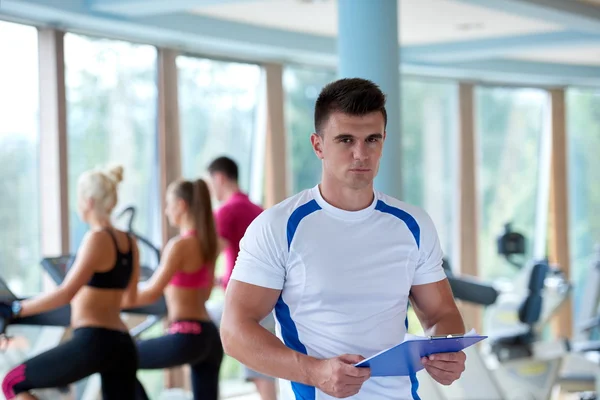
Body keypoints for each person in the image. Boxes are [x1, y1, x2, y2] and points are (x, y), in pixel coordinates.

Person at [219, 78, 467, 399]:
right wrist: (316, 372)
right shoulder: (278, 226)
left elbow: (440, 315)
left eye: (372, 139)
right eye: (346, 140)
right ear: (318, 145)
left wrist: (445, 351)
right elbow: (234, 332)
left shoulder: (413, 224)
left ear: (383, 141)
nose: (360, 154)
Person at [0, 165, 141, 399]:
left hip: (94, 341)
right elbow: (131, 298)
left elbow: (66, 293)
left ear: (89, 201)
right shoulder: (130, 242)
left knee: (12, 382)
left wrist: (15, 309)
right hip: (123, 344)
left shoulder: (96, 238)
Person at [122, 178, 223, 400]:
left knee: (118, 358)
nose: (166, 211)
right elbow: (204, 294)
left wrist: (109, 300)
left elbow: (151, 292)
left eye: (168, 204)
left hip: (187, 335)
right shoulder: (209, 243)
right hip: (209, 336)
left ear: (181, 205)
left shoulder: (179, 246)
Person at [207, 156, 279, 400]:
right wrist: (222, 280)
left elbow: (206, 256)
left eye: (211, 182)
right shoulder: (254, 207)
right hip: (269, 298)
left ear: (219, 178)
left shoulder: (227, 211)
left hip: (246, 302)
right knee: (262, 370)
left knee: (199, 326)